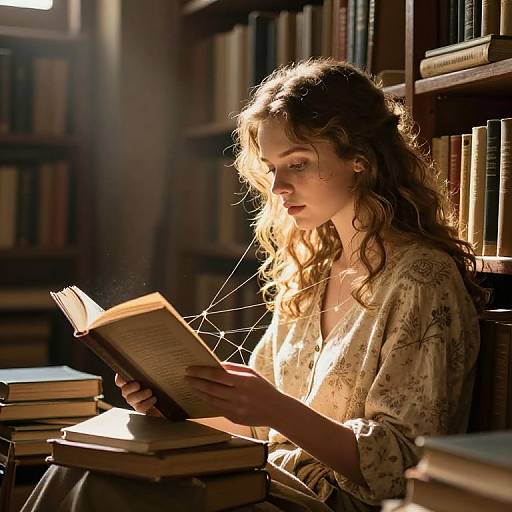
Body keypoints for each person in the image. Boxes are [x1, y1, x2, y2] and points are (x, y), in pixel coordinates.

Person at [21, 58, 487, 512]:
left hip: (335, 502)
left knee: (105, 489)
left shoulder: (421, 280)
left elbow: (403, 464)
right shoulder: (310, 270)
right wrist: (170, 406)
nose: (279, 186)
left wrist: (274, 408)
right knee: (78, 465)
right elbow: (260, 428)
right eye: (271, 167)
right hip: (266, 474)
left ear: (360, 160)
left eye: (298, 163)